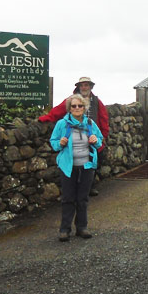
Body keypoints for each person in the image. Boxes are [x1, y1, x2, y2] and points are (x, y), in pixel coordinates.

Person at [39, 77, 109, 196]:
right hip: (73, 137)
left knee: (93, 162)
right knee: (75, 162)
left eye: (86, 85)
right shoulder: (71, 100)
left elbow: (103, 118)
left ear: (91, 87)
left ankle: (89, 187)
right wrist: (46, 118)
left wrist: (102, 137)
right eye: (82, 85)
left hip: (92, 138)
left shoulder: (97, 101)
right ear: (78, 87)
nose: (84, 87)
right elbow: (58, 111)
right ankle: (75, 188)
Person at [50, 94, 103, 242]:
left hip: (87, 166)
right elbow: (53, 142)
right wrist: (59, 143)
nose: (77, 108)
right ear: (69, 108)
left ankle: (82, 228)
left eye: (80, 106)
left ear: (84, 107)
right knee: (68, 198)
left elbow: (99, 141)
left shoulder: (90, 124)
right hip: (68, 166)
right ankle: (64, 229)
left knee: (83, 198)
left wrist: (96, 140)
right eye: (73, 106)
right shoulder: (62, 124)